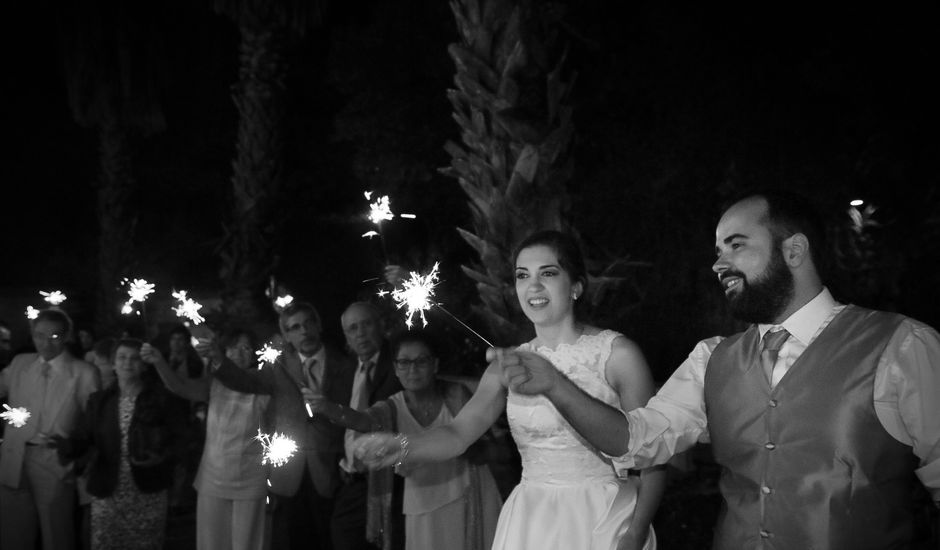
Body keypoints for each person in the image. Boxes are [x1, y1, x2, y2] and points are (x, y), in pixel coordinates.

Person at [501, 190, 940, 549]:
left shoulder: (901, 347)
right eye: (716, 250)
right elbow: (635, 443)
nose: (718, 263)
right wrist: (555, 385)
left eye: (736, 245)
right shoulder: (712, 359)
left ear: (794, 250)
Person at [355, 230, 666, 550]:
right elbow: (458, 434)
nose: (533, 286)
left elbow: (654, 457)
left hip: (603, 519)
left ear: (575, 286)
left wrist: (635, 532)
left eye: (548, 273)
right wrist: (404, 446)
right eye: (522, 275)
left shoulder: (619, 355)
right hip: (531, 521)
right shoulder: (507, 364)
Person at [307, 330, 502, 550]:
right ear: (396, 369)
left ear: (435, 365)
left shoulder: (456, 394)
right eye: (404, 362)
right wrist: (328, 408)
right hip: (421, 503)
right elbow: (363, 421)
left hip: (469, 493)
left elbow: (488, 446)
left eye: (421, 361)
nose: (413, 369)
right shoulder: (392, 406)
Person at [207, 301, 355, 550]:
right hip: (288, 471)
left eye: (308, 323)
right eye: (295, 327)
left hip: (331, 468)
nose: (304, 331)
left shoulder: (346, 365)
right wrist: (219, 360)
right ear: (286, 335)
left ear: (318, 326)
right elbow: (245, 381)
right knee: (291, 540)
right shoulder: (277, 366)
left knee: (330, 539)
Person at [143, 329, 270, 550]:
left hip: (251, 479)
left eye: (246, 348)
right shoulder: (214, 383)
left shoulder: (264, 384)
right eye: (233, 347)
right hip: (213, 477)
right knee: (212, 543)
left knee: (247, 544)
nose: (239, 353)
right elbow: (180, 386)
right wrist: (159, 362)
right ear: (225, 350)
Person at [0, 308, 101, 550]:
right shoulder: (21, 363)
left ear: (67, 337)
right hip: (14, 456)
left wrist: (78, 451)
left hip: (53, 458)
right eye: (39, 335)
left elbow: (94, 421)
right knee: (13, 532)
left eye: (54, 336)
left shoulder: (83, 372)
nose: (46, 343)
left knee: (56, 532)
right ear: (32, 335)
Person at [312, 301, 404, 550]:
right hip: (351, 480)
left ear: (381, 325)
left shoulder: (398, 363)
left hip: (389, 479)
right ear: (346, 336)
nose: (360, 333)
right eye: (353, 329)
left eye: (366, 324)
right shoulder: (347, 370)